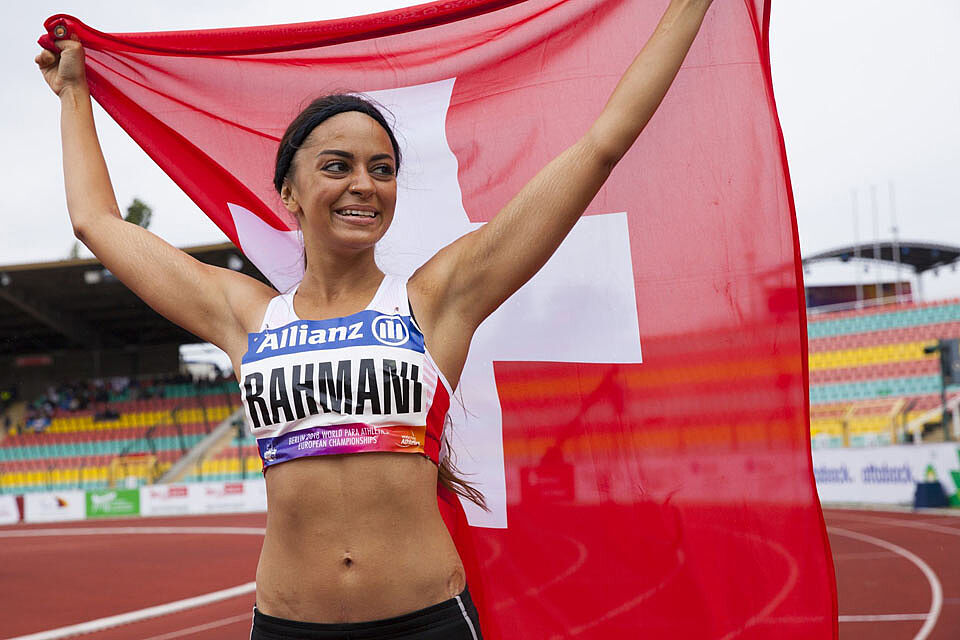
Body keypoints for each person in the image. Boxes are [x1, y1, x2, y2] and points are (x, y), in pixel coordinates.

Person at [36, 0, 714, 637]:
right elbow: (96, 221)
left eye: (382, 169)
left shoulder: (438, 299)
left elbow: (601, 143)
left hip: (427, 623)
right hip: (288, 626)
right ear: (289, 193)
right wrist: (74, 96)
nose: (364, 183)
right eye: (337, 166)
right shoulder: (243, 313)